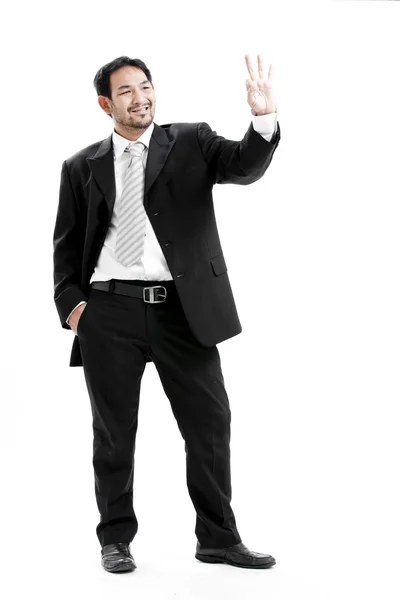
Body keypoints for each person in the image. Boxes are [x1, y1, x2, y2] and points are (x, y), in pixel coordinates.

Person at [53, 53, 281, 573]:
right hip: (109, 312)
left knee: (210, 422)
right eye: (127, 91)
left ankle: (218, 538)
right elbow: (65, 253)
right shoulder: (79, 167)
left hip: (184, 311)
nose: (141, 98)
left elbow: (243, 165)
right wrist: (76, 310)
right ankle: (115, 539)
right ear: (105, 104)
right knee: (113, 433)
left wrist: (262, 120)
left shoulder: (192, 142)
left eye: (146, 86)